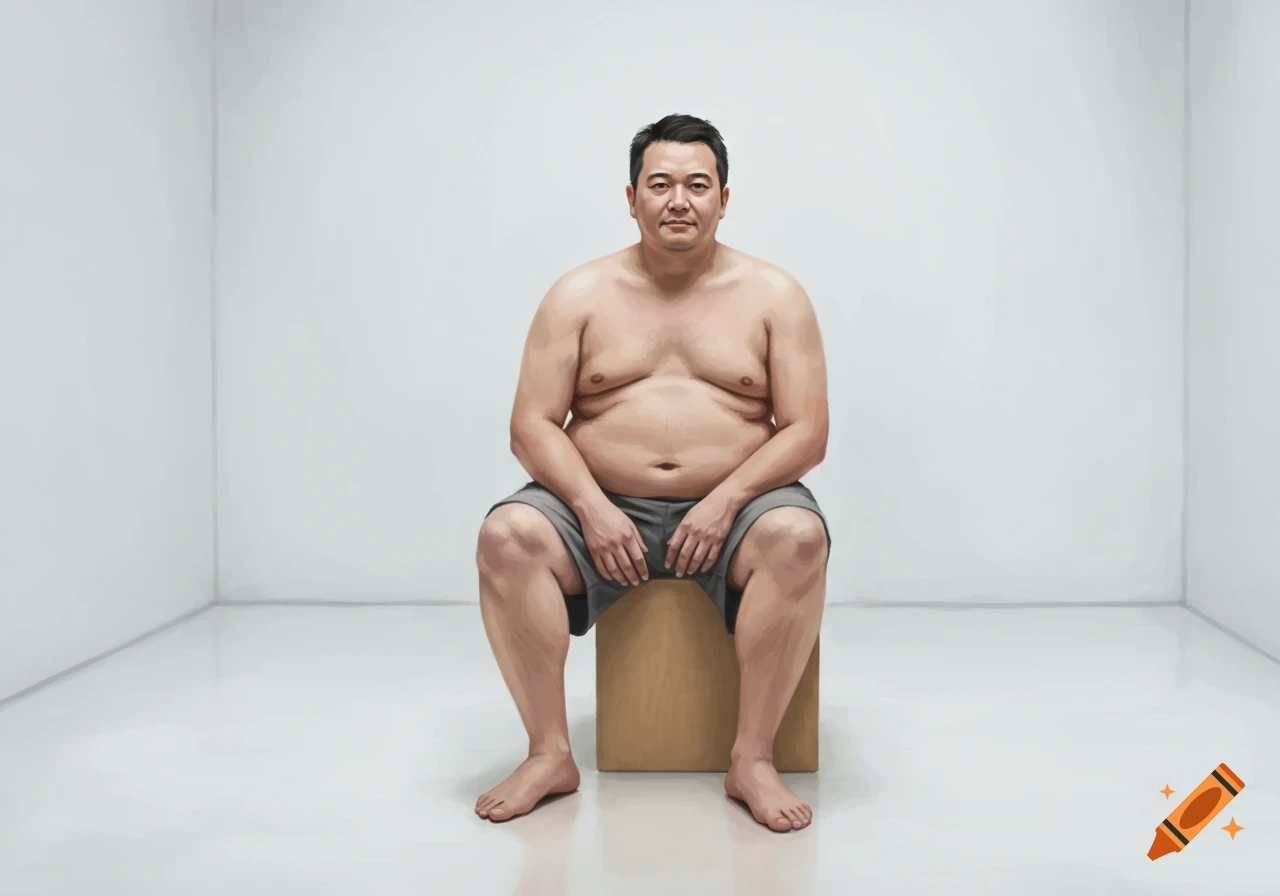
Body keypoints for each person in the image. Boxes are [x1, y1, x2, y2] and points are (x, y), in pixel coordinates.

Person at [473, 114, 830, 833]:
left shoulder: (774, 296)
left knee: (796, 535)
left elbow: (807, 431)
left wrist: (727, 500)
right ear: (630, 196)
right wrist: (590, 506)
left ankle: (752, 759)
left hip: (739, 508)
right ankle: (549, 754)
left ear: (724, 199)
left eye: (697, 185)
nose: (678, 200)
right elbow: (531, 424)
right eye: (660, 183)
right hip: (598, 504)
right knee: (507, 535)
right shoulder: (577, 295)